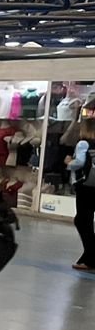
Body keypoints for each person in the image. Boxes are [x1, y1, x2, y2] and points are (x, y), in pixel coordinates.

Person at [71, 100, 95, 271]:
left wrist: (68, 162)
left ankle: (91, 256)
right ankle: (89, 256)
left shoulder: (83, 143)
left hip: (87, 184)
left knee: (83, 219)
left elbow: (79, 162)